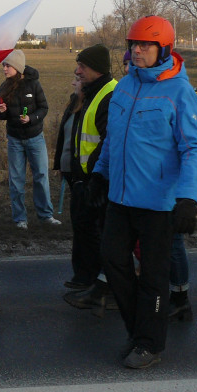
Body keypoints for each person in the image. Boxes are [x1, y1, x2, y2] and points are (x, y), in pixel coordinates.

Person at [89, 16, 197, 369]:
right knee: (112, 259)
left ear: (164, 49)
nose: (136, 51)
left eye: (145, 46)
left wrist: (188, 197)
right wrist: (99, 174)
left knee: (154, 277)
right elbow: (113, 138)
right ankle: (139, 329)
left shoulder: (179, 92)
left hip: (158, 203)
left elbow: (193, 149)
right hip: (121, 198)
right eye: (133, 45)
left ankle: (150, 344)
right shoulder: (125, 85)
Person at [60, 45, 117, 312]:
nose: (77, 70)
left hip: (101, 180)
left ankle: (107, 289)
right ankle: (91, 280)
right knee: (86, 228)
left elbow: (108, 141)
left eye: (82, 66)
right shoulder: (93, 93)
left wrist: (94, 176)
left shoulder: (109, 94)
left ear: (97, 68)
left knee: (105, 235)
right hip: (86, 177)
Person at [0, 49, 60, 229]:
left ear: (17, 67)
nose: (4, 69)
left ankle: (46, 215)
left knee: (41, 176)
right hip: (14, 139)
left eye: (7, 65)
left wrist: (31, 119)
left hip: (35, 137)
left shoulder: (34, 84)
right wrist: (0, 111)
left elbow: (43, 108)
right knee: (16, 180)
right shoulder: (4, 87)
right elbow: (4, 115)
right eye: (3, 65)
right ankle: (20, 219)